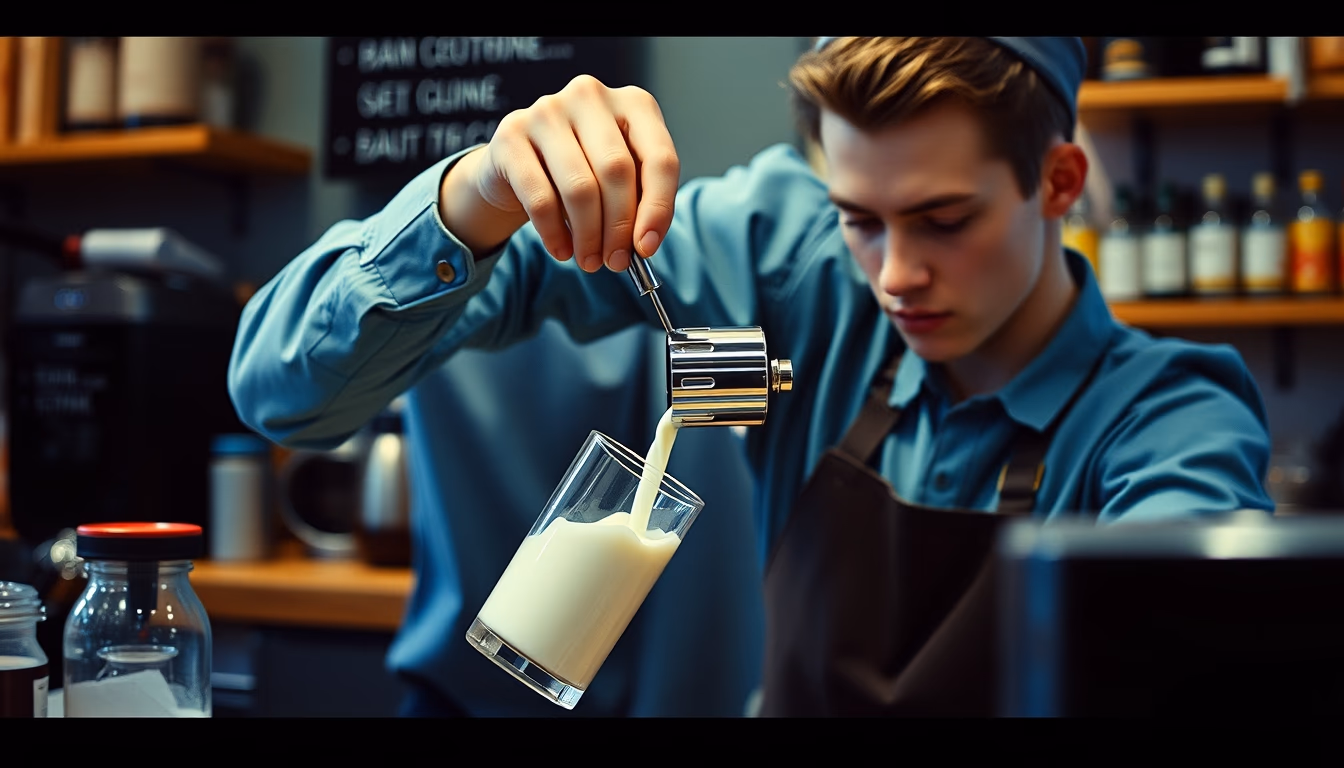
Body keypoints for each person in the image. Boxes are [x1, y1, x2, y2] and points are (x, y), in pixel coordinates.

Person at [228, 36, 1275, 717]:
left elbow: (1195, 660)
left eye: (944, 221)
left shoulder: (1164, 419)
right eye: (860, 220)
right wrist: (475, 198)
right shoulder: (786, 255)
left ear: (1058, 183)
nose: (896, 277)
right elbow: (285, 395)